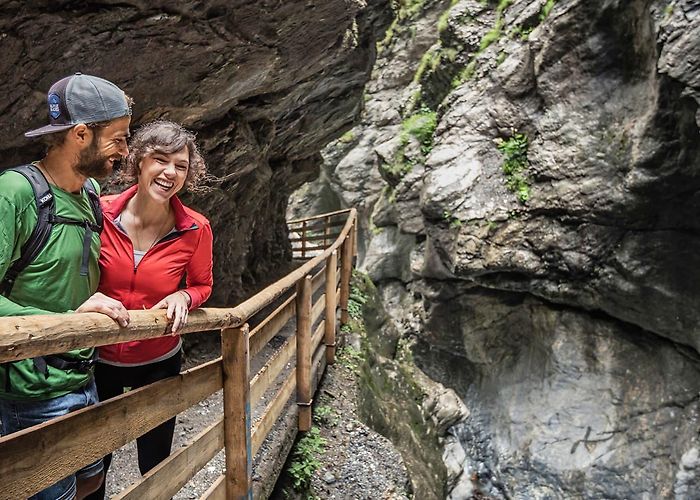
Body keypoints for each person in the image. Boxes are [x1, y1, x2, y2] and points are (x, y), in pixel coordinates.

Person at [0, 73, 132, 500]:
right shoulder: (15, 192)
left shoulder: (90, 192)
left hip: (82, 374)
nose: (125, 152)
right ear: (80, 134)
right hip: (30, 389)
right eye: (118, 139)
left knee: (92, 478)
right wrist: (66, 321)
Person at [87, 120, 213, 498]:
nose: (170, 172)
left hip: (158, 360)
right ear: (138, 161)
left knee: (155, 460)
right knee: (93, 462)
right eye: (160, 160)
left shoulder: (195, 229)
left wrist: (185, 297)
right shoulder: (99, 214)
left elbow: (202, 284)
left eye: (181, 165)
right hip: (98, 359)